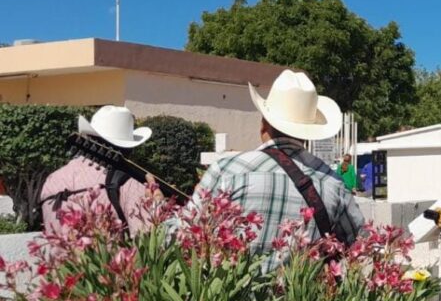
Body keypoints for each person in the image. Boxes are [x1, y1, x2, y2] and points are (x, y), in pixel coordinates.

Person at [181, 69, 364, 271]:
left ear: (263, 125)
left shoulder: (227, 170)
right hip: (304, 300)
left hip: (230, 299)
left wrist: (156, 202)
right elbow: (356, 241)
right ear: (308, 134)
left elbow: (182, 234)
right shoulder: (331, 181)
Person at [41, 106, 152, 236]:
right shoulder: (129, 183)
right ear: (128, 148)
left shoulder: (53, 179)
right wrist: (156, 206)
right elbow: (147, 241)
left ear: (87, 137)